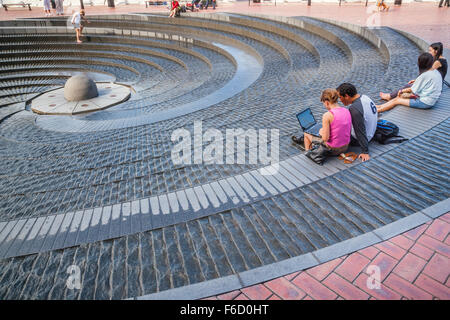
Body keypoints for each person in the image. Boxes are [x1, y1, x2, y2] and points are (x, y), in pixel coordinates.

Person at [377, 53, 442, 113]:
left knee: (397, 100)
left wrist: (401, 91)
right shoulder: (436, 72)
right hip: (432, 100)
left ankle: (378, 110)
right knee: (397, 99)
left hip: (425, 102)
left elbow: (412, 90)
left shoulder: (425, 75)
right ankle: (379, 106)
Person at [380, 42, 447, 101]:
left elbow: (426, 74)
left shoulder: (438, 62)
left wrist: (417, 81)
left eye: (430, 51)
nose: (428, 52)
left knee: (408, 86)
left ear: (436, 51)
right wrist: (416, 80)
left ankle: (390, 96)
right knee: (409, 85)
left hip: (433, 86)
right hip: (433, 83)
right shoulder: (440, 59)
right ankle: (393, 96)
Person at [302, 89, 352, 157]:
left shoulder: (327, 115)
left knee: (306, 134)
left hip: (333, 149)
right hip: (346, 146)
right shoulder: (346, 111)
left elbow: (325, 139)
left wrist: (321, 132)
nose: (324, 105)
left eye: (323, 103)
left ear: (326, 102)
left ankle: (308, 154)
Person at [337, 83, 378, 162]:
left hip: (360, 139)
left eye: (340, 97)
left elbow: (359, 130)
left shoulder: (354, 109)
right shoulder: (365, 97)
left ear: (346, 96)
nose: (340, 100)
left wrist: (365, 151)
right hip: (372, 132)